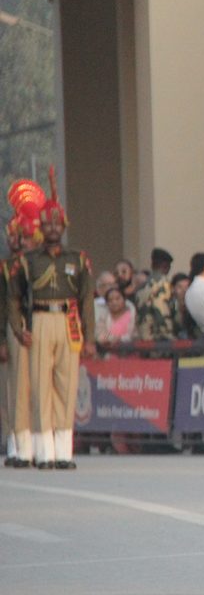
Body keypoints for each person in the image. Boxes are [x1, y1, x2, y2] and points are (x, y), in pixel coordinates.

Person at [6, 185, 96, 470]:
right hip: (40, 319)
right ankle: (44, 452)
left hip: (68, 321)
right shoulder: (27, 262)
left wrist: (91, 336)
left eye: (57, 223)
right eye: (47, 224)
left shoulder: (77, 259)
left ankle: (63, 451)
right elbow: (13, 298)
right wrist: (19, 329)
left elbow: (87, 300)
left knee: (67, 386)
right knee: (39, 386)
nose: (53, 228)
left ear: (64, 225)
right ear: (40, 229)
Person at [2, 211, 39, 467]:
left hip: (40, 324)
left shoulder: (40, 263)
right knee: (15, 388)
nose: (19, 241)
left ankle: (41, 443)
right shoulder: (6, 267)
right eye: (15, 237)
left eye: (24, 236)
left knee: (39, 386)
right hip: (14, 327)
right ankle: (16, 441)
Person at [134, 248, 177, 340]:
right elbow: (163, 312)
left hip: (144, 338)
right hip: (160, 340)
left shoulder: (141, 287)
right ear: (166, 266)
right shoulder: (164, 285)